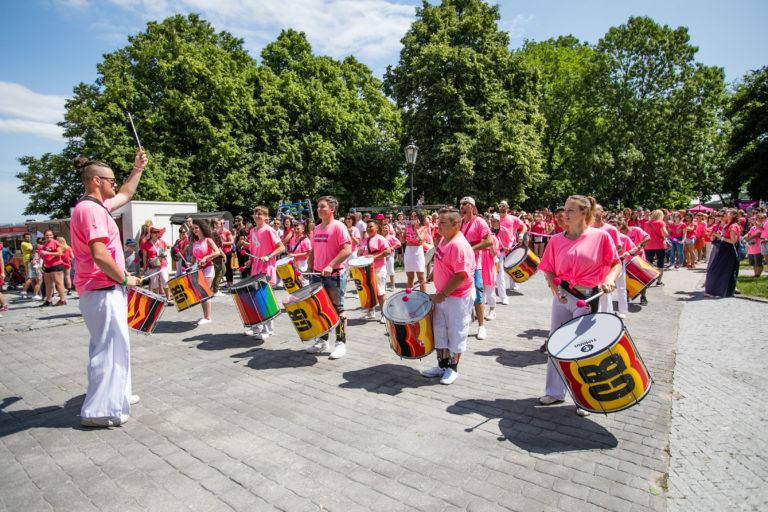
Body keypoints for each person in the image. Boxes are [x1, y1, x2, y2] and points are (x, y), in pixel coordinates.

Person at [70, 148, 147, 427]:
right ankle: (99, 411)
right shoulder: (90, 210)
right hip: (102, 289)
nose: (115, 185)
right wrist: (125, 278)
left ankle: (118, 395)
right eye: (111, 180)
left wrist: (137, 168)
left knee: (117, 347)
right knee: (107, 349)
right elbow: (99, 254)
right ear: (95, 181)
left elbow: (126, 195)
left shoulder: (98, 207)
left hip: (104, 289)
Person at [538, 195, 621, 416]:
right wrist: (555, 290)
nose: (565, 214)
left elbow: (616, 264)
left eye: (570, 210)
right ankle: (555, 391)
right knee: (556, 343)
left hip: (588, 297)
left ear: (584, 213)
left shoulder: (601, 237)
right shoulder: (556, 240)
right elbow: (548, 267)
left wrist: (610, 278)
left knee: (584, 347)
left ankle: (585, 398)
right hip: (563, 297)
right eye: (564, 210)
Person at [421, 207, 475, 385]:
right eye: (438, 223)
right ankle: (442, 365)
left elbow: (461, 275)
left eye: (442, 223)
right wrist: (434, 274)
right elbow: (441, 261)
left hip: (456, 297)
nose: (438, 227)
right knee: (440, 330)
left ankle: (453, 368)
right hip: (443, 296)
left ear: (455, 224)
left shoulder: (459, 245)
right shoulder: (445, 239)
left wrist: (443, 294)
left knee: (456, 332)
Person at [305, 196, 352, 358]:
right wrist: (309, 267)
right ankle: (322, 341)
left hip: (335, 275)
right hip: (317, 275)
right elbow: (313, 250)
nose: (319, 209)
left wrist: (331, 265)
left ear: (332, 209)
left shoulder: (339, 227)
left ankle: (340, 343)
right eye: (318, 207)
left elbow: (347, 249)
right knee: (319, 308)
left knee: (338, 308)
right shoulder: (317, 228)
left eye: (322, 207)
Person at [243, 206, 285, 339]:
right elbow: (253, 247)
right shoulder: (253, 231)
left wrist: (268, 256)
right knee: (255, 299)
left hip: (266, 268)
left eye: (260, 214)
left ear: (266, 216)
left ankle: (268, 330)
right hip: (256, 267)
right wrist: (250, 259)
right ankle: (258, 326)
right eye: (255, 214)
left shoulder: (269, 230)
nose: (256, 216)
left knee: (265, 299)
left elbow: (281, 247)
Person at [459, 197, 492, 340]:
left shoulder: (479, 222)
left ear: (472, 207)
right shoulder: (459, 222)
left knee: (478, 295)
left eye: (464, 204)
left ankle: (481, 326)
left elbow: (489, 241)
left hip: (475, 264)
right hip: (460, 264)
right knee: (460, 295)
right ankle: (464, 322)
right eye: (460, 204)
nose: (461, 206)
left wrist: (470, 249)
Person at [188, 219, 223, 325]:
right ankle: (205, 316)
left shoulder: (208, 240)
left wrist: (206, 257)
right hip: (198, 269)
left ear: (202, 228)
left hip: (208, 268)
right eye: (193, 228)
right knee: (200, 293)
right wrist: (190, 263)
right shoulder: (196, 242)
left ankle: (207, 317)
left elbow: (217, 252)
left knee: (205, 292)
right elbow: (194, 257)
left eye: (196, 228)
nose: (194, 230)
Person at [357, 219, 391, 321]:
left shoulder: (380, 239)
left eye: (371, 227)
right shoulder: (364, 240)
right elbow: (360, 255)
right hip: (366, 270)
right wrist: (359, 253)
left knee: (380, 292)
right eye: (367, 227)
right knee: (369, 291)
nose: (368, 229)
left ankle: (384, 314)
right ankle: (371, 312)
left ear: (377, 228)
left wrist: (374, 257)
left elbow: (388, 251)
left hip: (378, 269)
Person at [705, 209, 742, 298]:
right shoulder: (728, 225)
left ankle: (715, 291)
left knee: (720, 270)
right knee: (719, 270)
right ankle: (721, 291)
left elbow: (733, 241)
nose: (726, 214)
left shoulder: (733, 226)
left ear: (733, 215)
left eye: (728, 213)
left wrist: (721, 237)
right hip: (724, 249)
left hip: (729, 250)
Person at [141, 226, 171, 302]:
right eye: (155, 232)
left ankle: (168, 298)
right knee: (154, 283)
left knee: (165, 280)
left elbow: (165, 250)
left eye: (158, 232)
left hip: (162, 263)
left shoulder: (162, 242)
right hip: (152, 264)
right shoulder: (146, 243)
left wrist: (165, 252)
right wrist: (145, 267)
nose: (157, 234)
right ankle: (157, 300)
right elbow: (144, 256)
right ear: (150, 233)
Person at [39, 230, 68, 306]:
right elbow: (44, 254)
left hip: (56, 265)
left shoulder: (55, 242)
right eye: (47, 235)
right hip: (47, 265)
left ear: (52, 235)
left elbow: (60, 253)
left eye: (50, 235)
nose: (48, 237)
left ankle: (62, 299)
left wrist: (47, 253)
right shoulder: (44, 243)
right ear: (44, 236)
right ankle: (48, 300)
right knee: (47, 283)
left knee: (58, 282)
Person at [403, 210, 428, 293]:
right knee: (410, 278)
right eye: (412, 216)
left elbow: (419, 240)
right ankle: (411, 297)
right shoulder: (407, 227)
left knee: (421, 278)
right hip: (408, 252)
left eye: (415, 216)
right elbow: (403, 241)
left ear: (420, 217)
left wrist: (416, 229)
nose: (413, 218)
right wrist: (400, 231)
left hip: (418, 252)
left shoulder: (423, 228)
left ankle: (424, 298)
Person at [644, 210, 669, 287]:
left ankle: (647, 279)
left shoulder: (647, 223)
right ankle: (659, 281)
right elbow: (664, 233)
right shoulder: (661, 223)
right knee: (660, 264)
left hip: (649, 245)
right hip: (659, 245)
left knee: (648, 263)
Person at [20, 233, 40, 299]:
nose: (28, 238)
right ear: (23, 238)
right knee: (30, 277)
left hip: (31, 260)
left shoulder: (29, 243)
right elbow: (32, 250)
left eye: (29, 237)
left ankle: (35, 292)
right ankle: (24, 291)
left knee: (32, 277)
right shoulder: (24, 244)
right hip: (28, 260)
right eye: (26, 237)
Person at [744, 213, 765, 277]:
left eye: (762, 218)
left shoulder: (763, 226)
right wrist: (744, 237)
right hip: (751, 247)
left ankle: (757, 274)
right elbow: (749, 233)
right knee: (753, 263)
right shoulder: (753, 227)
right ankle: (755, 273)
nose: (760, 219)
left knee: (758, 262)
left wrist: (749, 238)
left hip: (759, 247)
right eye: (759, 218)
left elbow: (759, 234)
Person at [382, 223, 401, 291]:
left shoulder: (391, 237)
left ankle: (392, 285)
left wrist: (393, 247)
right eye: (383, 228)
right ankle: (383, 285)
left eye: (386, 228)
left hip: (390, 255)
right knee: (383, 271)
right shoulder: (380, 237)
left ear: (389, 230)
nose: (384, 229)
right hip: (382, 255)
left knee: (390, 269)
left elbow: (398, 243)